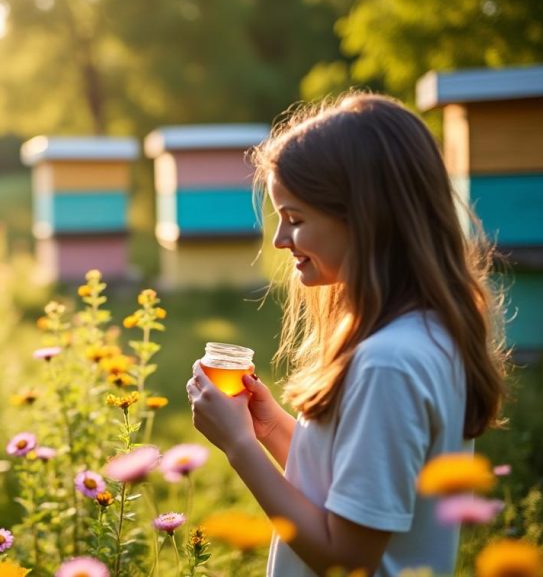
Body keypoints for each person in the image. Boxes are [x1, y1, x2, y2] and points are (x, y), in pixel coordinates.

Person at [185, 92, 508, 576]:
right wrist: (270, 428)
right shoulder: (420, 334)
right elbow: (354, 488)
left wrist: (240, 449)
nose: (279, 240)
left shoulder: (388, 364)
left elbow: (348, 558)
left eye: (295, 219)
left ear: (365, 220)